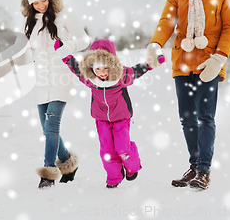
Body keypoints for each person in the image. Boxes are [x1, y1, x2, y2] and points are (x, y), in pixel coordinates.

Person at [146, 0, 230, 190]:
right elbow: (167, 21)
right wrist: (155, 44)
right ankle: (194, 165)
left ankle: (203, 171)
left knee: (205, 117)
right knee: (187, 118)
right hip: (183, 61)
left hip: (210, 62)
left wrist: (220, 57)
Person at [0, 0, 90, 189]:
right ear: (30, 3)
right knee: (47, 129)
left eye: (44, 0)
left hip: (61, 78)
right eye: (36, 2)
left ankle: (48, 173)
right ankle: (69, 163)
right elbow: (16, 48)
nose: (41, 5)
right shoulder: (31, 22)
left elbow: (83, 39)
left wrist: (66, 48)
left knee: (52, 126)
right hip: (41, 81)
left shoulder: (64, 15)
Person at [57, 38, 163, 188]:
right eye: (97, 69)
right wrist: (64, 54)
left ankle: (132, 167)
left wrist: (152, 63)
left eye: (105, 68)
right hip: (101, 119)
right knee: (107, 150)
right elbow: (75, 67)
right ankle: (114, 177)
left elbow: (137, 70)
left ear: (112, 65)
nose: (101, 73)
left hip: (121, 118)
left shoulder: (121, 76)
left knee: (122, 148)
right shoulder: (90, 79)